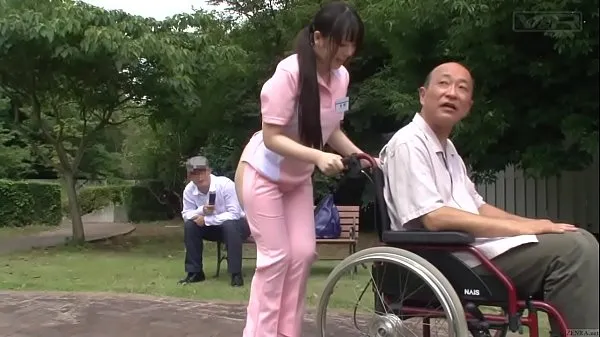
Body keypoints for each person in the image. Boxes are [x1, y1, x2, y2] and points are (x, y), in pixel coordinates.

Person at [379, 61, 599, 331]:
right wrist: (524, 228)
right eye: (444, 83)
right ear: (423, 95)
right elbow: (434, 217)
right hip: (449, 260)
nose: (452, 93)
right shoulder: (408, 144)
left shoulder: (448, 151)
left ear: (468, 106)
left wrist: (537, 224)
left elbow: (478, 207)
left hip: (473, 252)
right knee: (576, 251)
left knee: (576, 238)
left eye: (462, 88)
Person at [232, 2, 371, 336]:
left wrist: (362, 155)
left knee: (304, 254)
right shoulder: (289, 75)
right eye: (342, 42)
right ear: (318, 38)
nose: (348, 51)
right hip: (262, 174)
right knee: (276, 258)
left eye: (353, 43)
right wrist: (317, 157)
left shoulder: (341, 78)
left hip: (296, 180)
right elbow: (272, 137)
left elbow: (331, 129)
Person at [179, 155, 250, 287]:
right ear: (189, 176)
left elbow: (234, 214)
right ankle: (195, 272)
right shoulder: (189, 190)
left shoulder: (225, 184)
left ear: (209, 170)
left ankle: (236, 274)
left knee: (229, 225)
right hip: (213, 228)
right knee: (190, 225)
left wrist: (207, 220)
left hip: (238, 225)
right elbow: (186, 214)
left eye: (202, 172)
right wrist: (201, 210)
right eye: (195, 174)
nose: (199, 177)